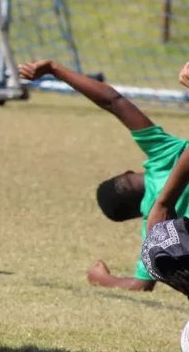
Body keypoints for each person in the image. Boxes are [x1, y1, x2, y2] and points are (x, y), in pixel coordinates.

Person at [20, 59, 189, 291]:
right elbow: (113, 101)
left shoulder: (155, 222)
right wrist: (54, 69)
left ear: (136, 214)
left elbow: (140, 284)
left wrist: (101, 278)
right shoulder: (162, 153)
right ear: (127, 172)